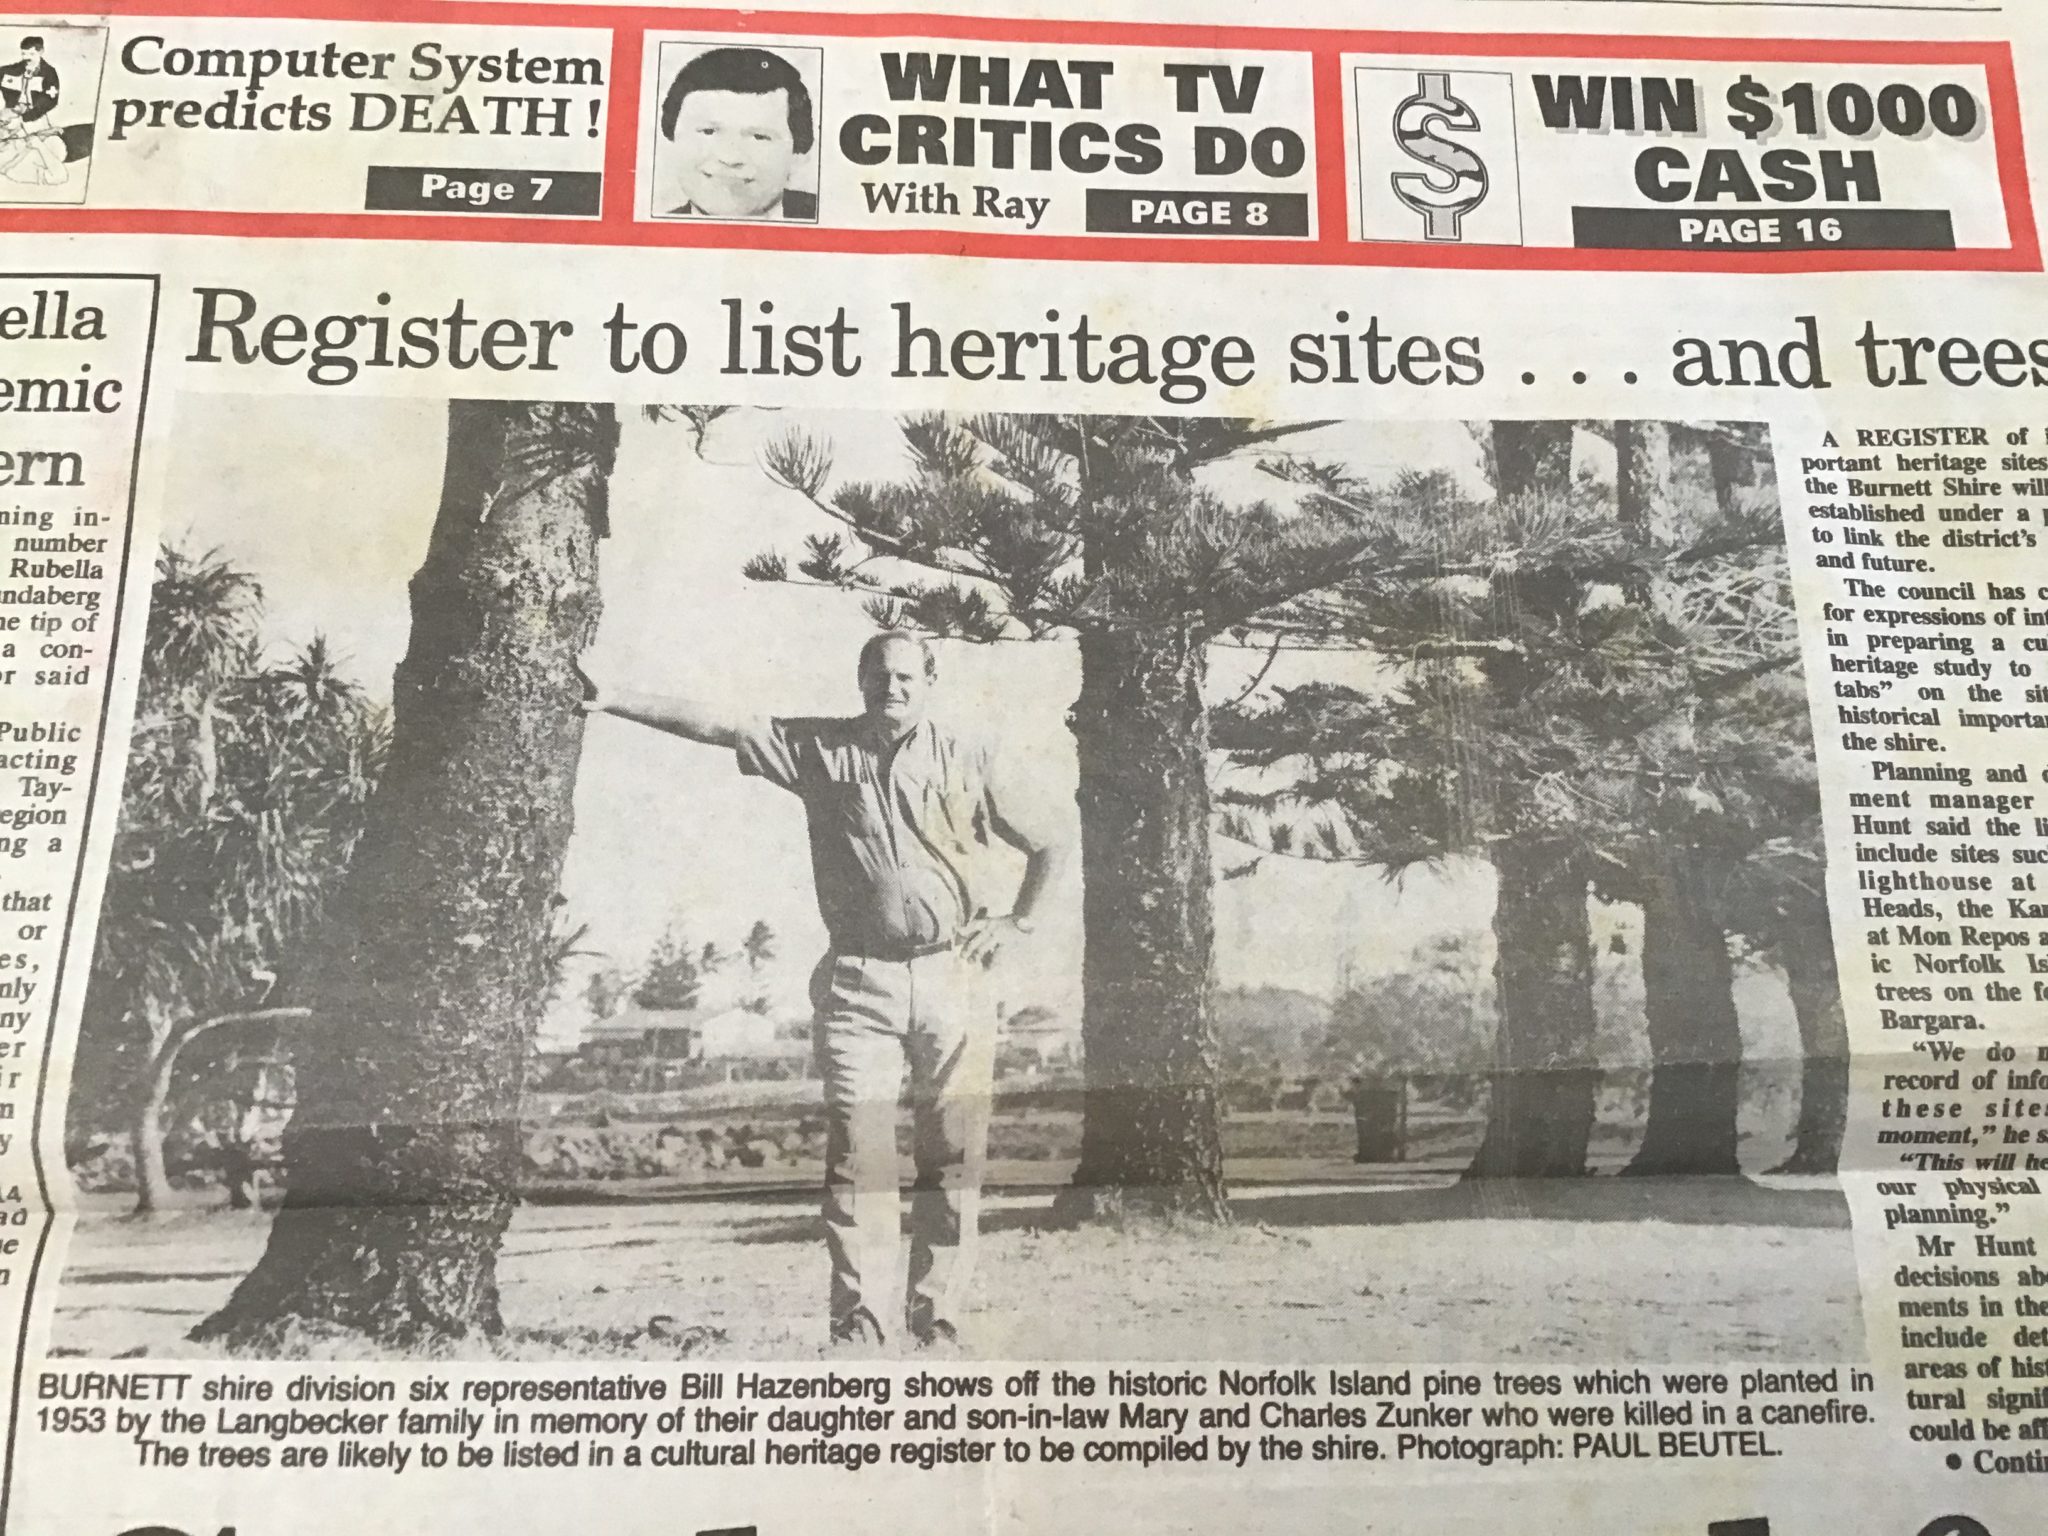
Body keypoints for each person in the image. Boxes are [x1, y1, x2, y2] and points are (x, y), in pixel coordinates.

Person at [584, 632, 1069, 1349]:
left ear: (930, 680)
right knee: (858, 1154)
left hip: (954, 976)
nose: (892, 688)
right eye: (879, 675)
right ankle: (861, 1329)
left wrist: (1020, 924)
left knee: (954, 1154)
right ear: (860, 679)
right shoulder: (820, 749)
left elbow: (1051, 843)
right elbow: (723, 725)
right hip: (857, 981)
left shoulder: (972, 756)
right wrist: (613, 699)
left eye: (906, 676)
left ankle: (938, 1323)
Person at [660, 46, 817, 221]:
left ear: (799, 154)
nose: (730, 158)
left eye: (759, 137)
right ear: (672, 139)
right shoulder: (650, 233)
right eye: (708, 132)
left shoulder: (831, 214)